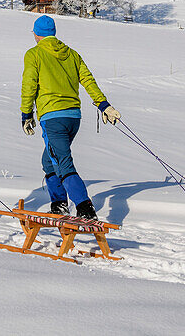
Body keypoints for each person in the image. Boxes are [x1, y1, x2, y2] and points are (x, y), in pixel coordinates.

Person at [20, 15, 120, 220]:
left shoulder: (34, 54)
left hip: (52, 117)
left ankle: (85, 207)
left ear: (37, 34)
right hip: (73, 117)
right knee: (49, 161)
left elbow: (29, 84)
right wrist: (103, 104)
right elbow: (87, 80)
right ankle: (59, 205)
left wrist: (26, 113)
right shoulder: (72, 54)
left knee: (63, 163)